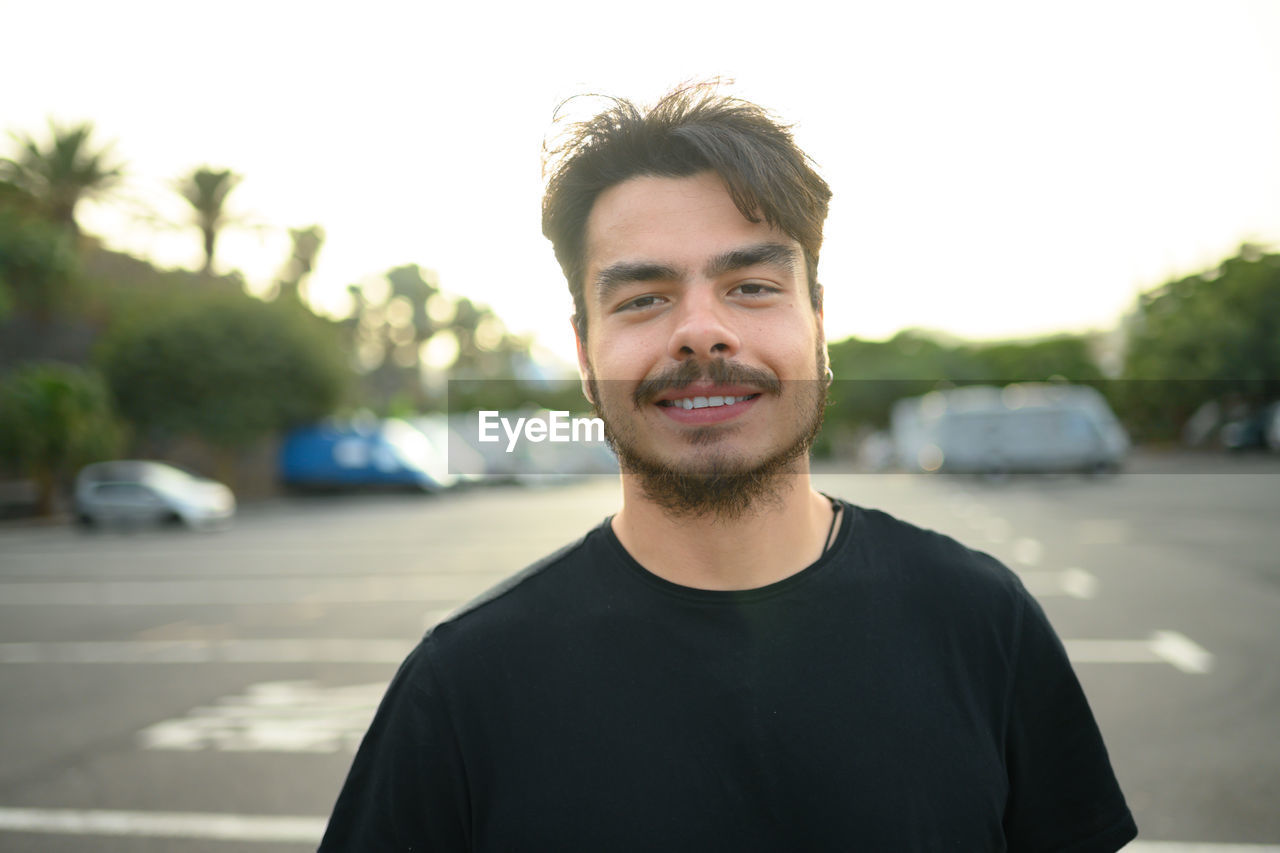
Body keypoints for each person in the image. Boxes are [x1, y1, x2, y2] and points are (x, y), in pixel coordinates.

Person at [318, 85, 1138, 852]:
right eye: (643, 299)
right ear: (582, 351)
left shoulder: (983, 620)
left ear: (819, 320)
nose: (701, 333)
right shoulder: (462, 689)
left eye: (749, 285)